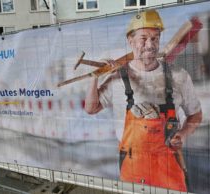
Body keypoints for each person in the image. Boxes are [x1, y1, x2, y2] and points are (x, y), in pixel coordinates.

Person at [84, 10, 202, 191]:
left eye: (155, 38)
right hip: (133, 167)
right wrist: (94, 77)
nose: (150, 44)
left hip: (169, 167)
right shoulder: (118, 77)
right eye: (143, 38)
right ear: (130, 41)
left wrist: (182, 134)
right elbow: (91, 108)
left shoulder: (178, 76)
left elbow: (195, 116)